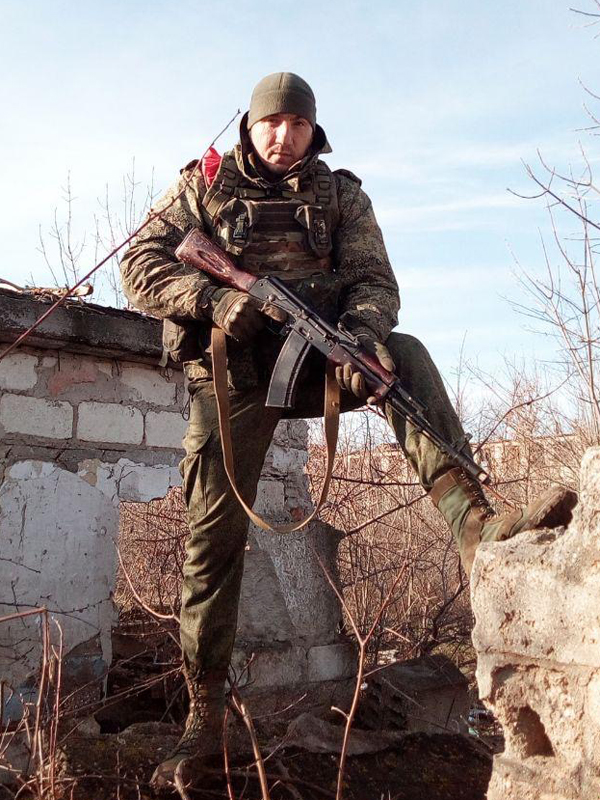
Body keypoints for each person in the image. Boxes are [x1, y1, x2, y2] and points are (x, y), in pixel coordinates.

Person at [120, 72, 577, 788]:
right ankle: (203, 719)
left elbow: (374, 280)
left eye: (299, 124)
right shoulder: (201, 187)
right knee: (213, 540)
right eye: (273, 123)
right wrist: (212, 301)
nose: (285, 136)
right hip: (236, 372)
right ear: (250, 125)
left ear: (314, 129)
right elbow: (139, 265)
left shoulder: (339, 196)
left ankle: (474, 524)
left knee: (407, 357)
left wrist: (360, 340)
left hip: (318, 360)